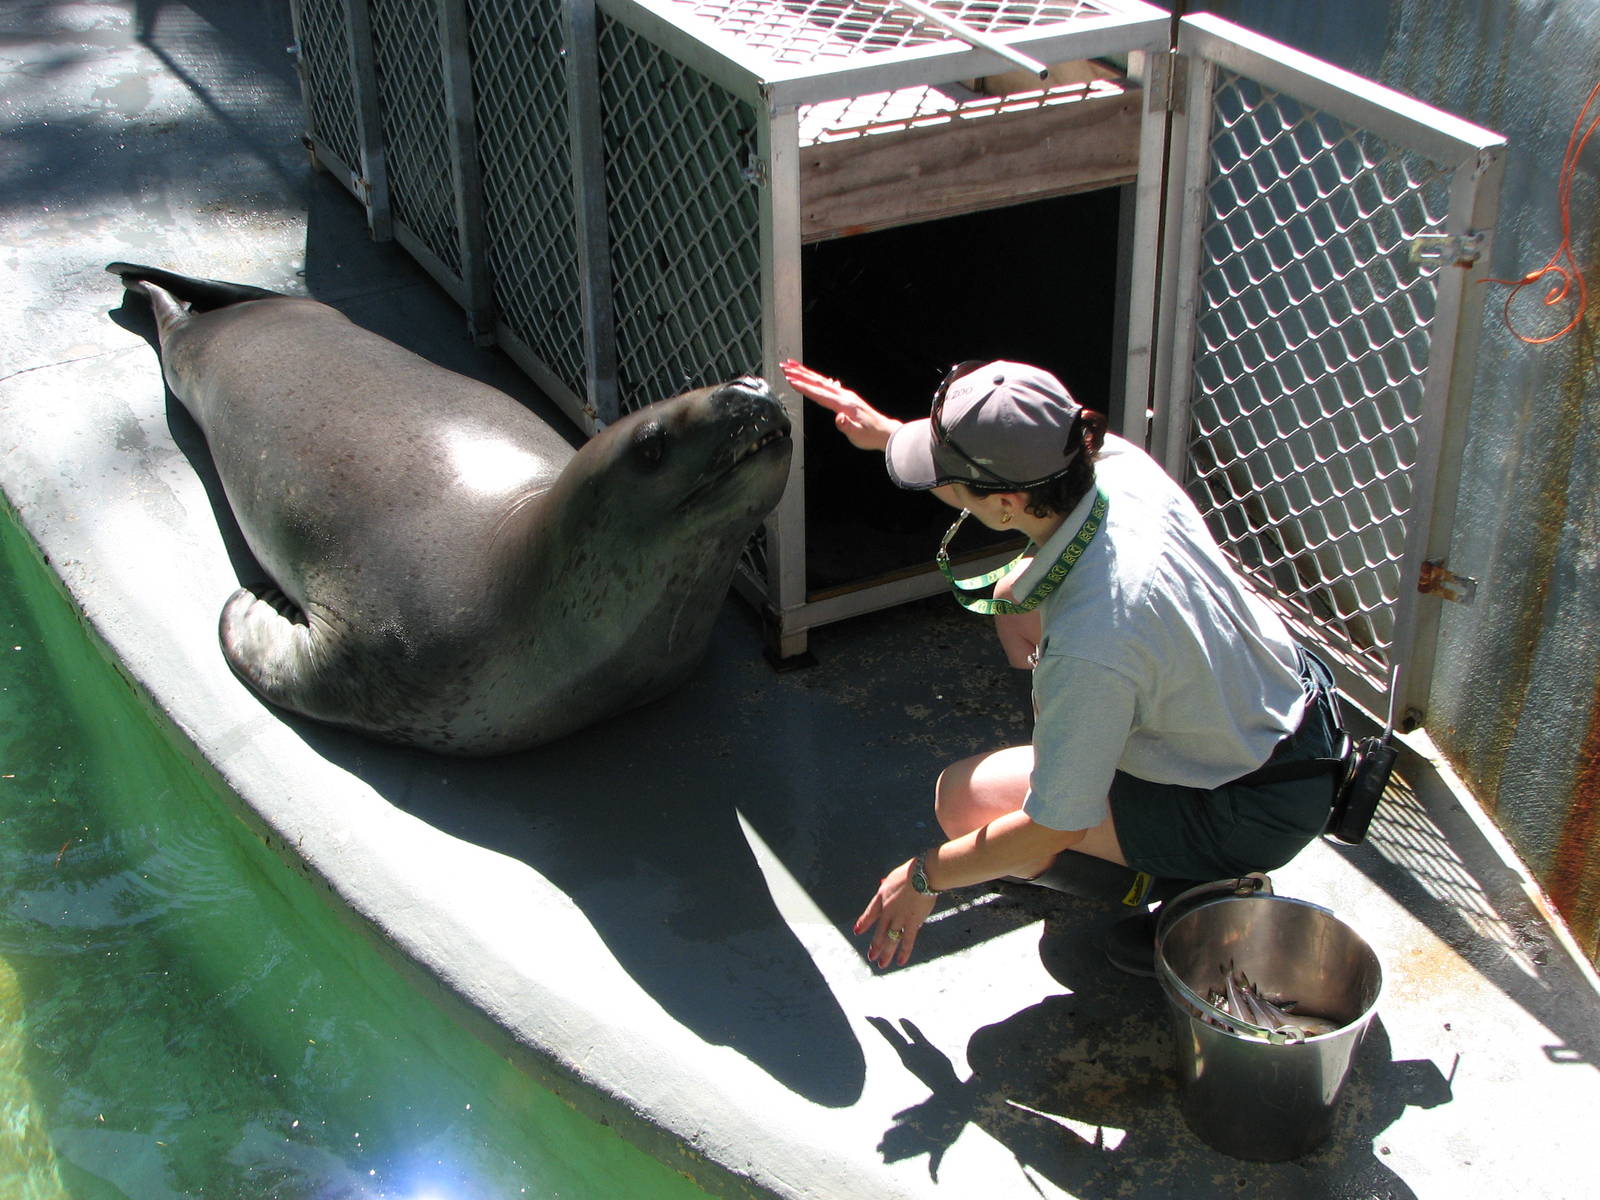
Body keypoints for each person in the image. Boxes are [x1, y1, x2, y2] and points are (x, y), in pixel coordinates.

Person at [780, 357, 1344, 974]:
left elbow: (1050, 827)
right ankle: (1126, 800)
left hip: (1248, 805)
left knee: (964, 805)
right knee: (1016, 600)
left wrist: (924, 876)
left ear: (1006, 501)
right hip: (1291, 712)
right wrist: (888, 433)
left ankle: (1191, 889)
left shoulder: (1092, 639)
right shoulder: (1112, 463)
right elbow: (1000, 492)